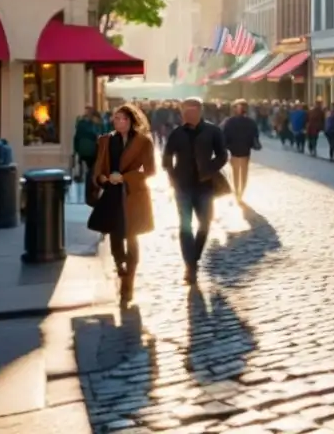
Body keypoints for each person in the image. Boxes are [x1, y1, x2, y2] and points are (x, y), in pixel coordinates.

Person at [87, 104, 156, 306]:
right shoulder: (106, 140)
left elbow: (150, 171)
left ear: (131, 120)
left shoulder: (143, 142)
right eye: (116, 119)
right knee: (115, 236)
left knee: (132, 236)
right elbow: (99, 167)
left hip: (133, 194)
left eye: (123, 119)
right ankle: (120, 266)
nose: (119, 122)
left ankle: (128, 285)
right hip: (112, 193)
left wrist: (125, 177)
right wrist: (102, 178)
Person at [162, 97, 228, 286]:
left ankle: (194, 258)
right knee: (185, 226)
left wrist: (210, 169)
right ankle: (190, 266)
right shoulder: (176, 133)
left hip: (204, 186)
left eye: (189, 111)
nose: (185, 114)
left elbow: (223, 155)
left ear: (198, 112)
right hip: (182, 186)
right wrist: (173, 177)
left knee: (205, 224)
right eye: (183, 111)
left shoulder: (212, 131)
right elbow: (167, 158)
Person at [222, 99, 260, 202]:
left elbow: (224, 136)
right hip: (244, 151)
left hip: (235, 151)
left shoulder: (229, 121)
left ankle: (238, 192)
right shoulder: (251, 122)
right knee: (243, 172)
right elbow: (255, 136)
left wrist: (226, 146)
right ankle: (240, 193)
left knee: (236, 172)